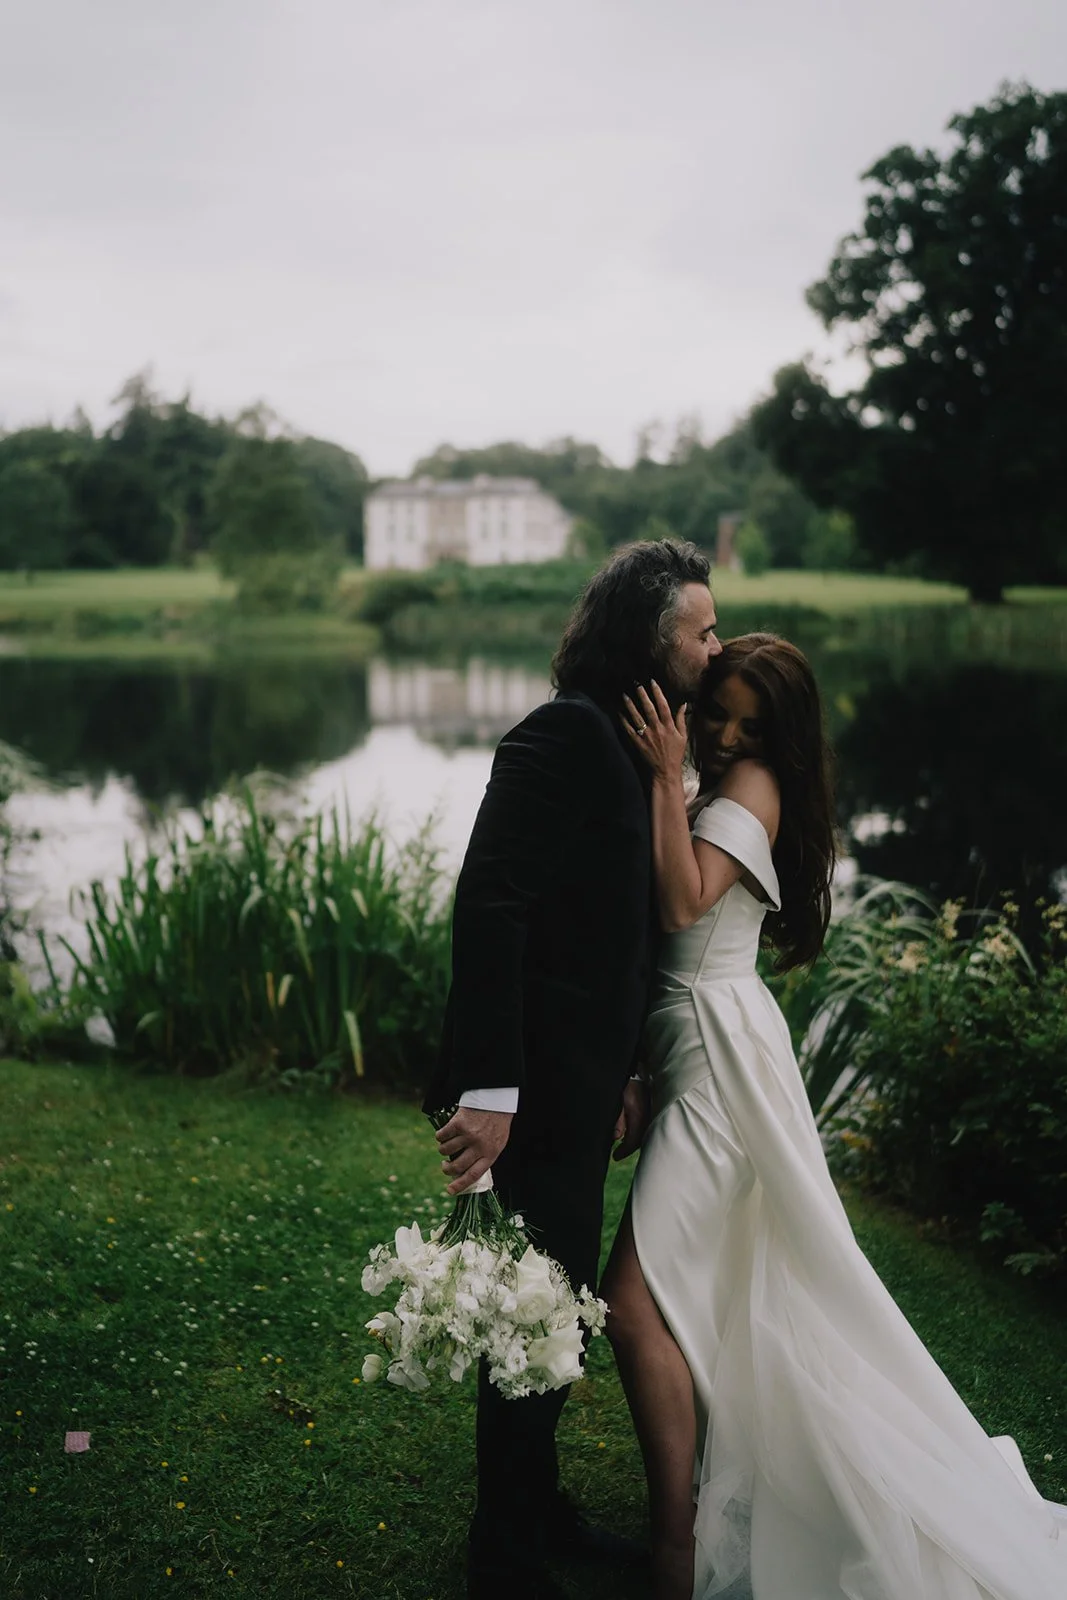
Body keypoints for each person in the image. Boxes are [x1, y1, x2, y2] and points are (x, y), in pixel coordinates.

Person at [603, 632, 1067, 1600]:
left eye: (748, 722)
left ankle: (674, 1547)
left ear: (782, 734)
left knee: (634, 1301)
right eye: (716, 712)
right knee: (720, 1281)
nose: (727, 734)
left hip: (722, 1055)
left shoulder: (755, 786)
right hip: (699, 1043)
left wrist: (660, 770)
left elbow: (684, 905)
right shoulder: (728, 781)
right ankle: (695, 1504)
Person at [423, 538, 722, 1600]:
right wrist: (489, 1092)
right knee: (529, 1319)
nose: (714, 645)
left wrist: (632, 1071)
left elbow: (624, 934)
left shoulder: (634, 750)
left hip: (587, 1084)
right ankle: (501, 1560)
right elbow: (490, 903)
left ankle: (535, 1508)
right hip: (528, 1088)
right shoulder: (561, 733)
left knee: (546, 1311)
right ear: (652, 644)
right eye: (702, 630)